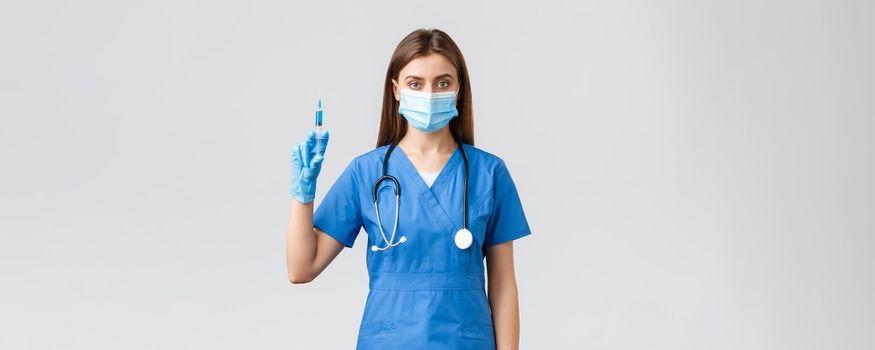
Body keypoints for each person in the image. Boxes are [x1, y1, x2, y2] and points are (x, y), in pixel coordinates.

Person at [286, 28, 532, 350]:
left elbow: (502, 285)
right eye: (416, 83)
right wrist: (303, 194)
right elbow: (302, 268)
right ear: (396, 90)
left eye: (442, 83)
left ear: (459, 90)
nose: (429, 94)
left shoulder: (489, 173)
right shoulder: (367, 172)